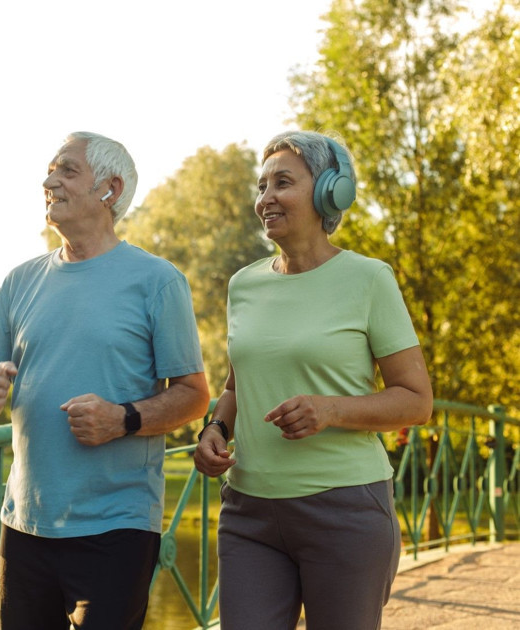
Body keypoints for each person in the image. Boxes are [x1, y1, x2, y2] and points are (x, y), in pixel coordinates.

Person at [0, 131, 210, 630]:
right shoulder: (18, 281)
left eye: (66, 170)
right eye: (51, 170)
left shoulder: (158, 281)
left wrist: (123, 419)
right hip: (24, 524)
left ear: (110, 189)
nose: (48, 180)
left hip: (117, 526)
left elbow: (194, 396)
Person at [194, 130, 433, 630]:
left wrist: (331, 409)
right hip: (249, 511)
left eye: (283, 182)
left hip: (344, 509)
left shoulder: (370, 279)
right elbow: (238, 386)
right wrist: (215, 430)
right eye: (262, 186)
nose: (266, 199)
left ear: (330, 191)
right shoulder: (244, 285)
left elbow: (416, 401)